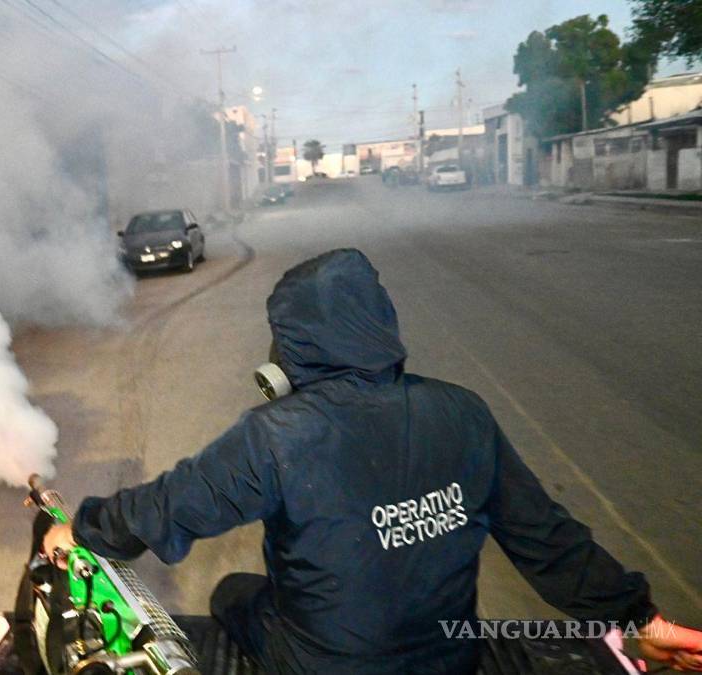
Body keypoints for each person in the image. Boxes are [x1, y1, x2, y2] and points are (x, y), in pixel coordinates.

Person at [43, 248, 702, 674]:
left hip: (322, 665)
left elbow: (168, 506)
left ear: (287, 351)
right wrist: (641, 619)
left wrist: (83, 528)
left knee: (232, 591)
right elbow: (547, 540)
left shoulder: (276, 434)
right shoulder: (464, 412)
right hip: (448, 658)